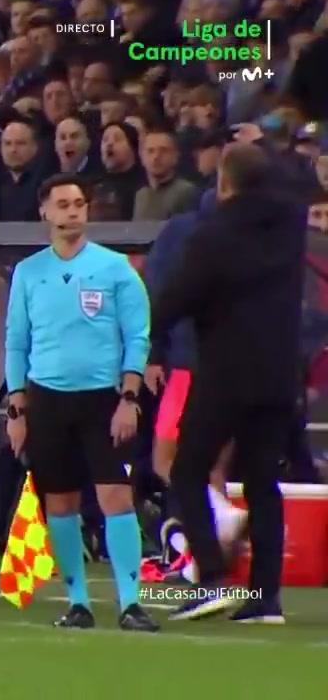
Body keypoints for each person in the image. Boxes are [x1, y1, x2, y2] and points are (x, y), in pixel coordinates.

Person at [152, 144, 302, 623]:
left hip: (226, 371)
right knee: (262, 481)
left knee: (186, 470)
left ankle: (212, 579)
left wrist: (146, 329)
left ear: (224, 182)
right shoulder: (290, 225)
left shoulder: (213, 234)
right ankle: (265, 599)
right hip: (279, 372)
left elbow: (179, 297)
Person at [4, 172, 158, 632]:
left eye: (78, 204)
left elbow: (137, 336)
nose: (72, 212)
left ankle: (131, 603)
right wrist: (16, 408)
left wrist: (128, 397)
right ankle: (78, 604)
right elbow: (16, 341)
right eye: (63, 204)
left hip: (102, 400)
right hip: (48, 401)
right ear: (45, 212)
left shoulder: (115, 268)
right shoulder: (28, 272)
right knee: (60, 502)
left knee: (116, 496)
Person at [143, 210, 247, 583]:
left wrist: (154, 352)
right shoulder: (256, 229)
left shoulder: (184, 231)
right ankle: (206, 564)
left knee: (167, 459)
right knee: (213, 466)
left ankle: (220, 517)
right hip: (239, 362)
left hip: (191, 360)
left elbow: (159, 293)